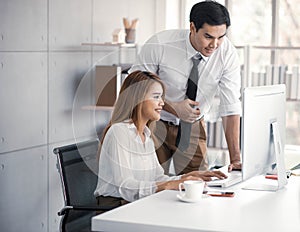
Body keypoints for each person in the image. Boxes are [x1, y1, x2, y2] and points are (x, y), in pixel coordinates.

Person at [129, 1, 242, 175]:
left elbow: (230, 106)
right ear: (192, 27)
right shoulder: (161, 44)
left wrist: (236, 159)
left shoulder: (227, 53)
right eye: (209, 36)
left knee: (200, 184)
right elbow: (135, 87)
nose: (215, 45)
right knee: (151, 182)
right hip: (155, 122)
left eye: (221, 37)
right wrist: (172, 107)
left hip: (194, 125)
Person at [94, 70, 227, 206]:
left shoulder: (146, 135)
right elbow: (125, 186)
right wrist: (170, 184)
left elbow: (157, 178)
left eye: (162, 97)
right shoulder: (119, 132)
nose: (162, 103)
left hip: (138, 204)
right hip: (115, 207)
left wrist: (186, 178)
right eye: (156, 97)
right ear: (138, 98)